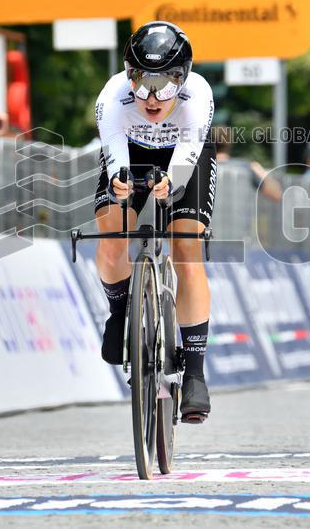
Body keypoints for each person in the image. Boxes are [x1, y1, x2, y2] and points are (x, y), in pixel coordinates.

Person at [94, 21, 215, 423]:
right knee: (112, 236)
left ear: (183, 78)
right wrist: (119, 181)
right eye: (141, 81)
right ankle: (119, 312)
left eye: (164, 86)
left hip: (184, 155)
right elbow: (114, 154)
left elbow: (186, 158)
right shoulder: (113, 96)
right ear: (128, 74)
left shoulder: (199, 96)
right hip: (131, 152)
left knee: (186, 250)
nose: (150, 96)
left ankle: (194, 373)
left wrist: (171, 183)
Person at [212, 126, 282, 202]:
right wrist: (262, 173)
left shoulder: (203, 167)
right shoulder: (244, 167)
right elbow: (276, 194)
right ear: (230, 143)